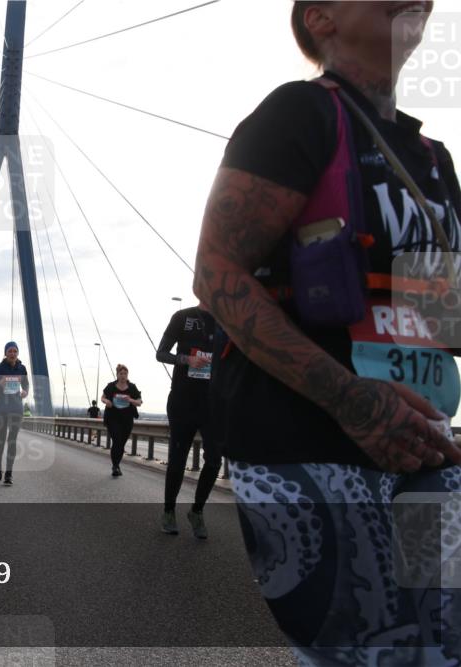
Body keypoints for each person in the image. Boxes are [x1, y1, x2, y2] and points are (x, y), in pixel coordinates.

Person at [193, 3, 461, 664]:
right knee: (365, 651)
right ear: (321, 18)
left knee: (441, 643)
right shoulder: (299, 113)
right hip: (307, 439)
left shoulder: (434, 160)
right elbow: (217, 272)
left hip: (422, 442)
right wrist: (354, 401)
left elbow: (441, 314)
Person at [156, 305, 220, 537]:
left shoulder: (227, 321)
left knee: (214, 460)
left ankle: (197, 511)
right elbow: (161, 353)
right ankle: (169, 511)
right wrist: (187, 360)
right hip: (183, 400)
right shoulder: (182, 317)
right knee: (178, 459)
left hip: (212, 404)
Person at [0, 341, 29, 485]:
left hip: (16, 408)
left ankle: (9, 473)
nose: (12, 354)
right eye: (10, 351)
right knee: (1, 439)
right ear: (5, 353)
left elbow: (26, 383)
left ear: (18, 353)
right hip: (1, 409)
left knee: (12, 440)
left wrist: (25, 391)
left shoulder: (22, 368)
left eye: (15, 351)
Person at [100, 364, 142, 477]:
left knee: (121, 444)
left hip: (127, 419)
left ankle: (117, 465)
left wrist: (130, 400)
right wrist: (107, 402)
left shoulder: (132, 387)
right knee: (117, 441)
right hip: (113, 418)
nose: (123, 376)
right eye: (121, 373)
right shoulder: (111, 386)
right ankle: (115, 466)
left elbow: (139, 402)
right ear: (117, 374)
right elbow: (102, 397)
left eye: (125, 374)